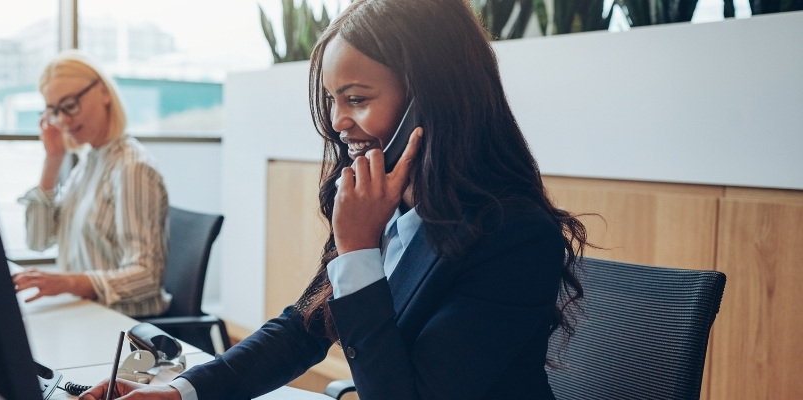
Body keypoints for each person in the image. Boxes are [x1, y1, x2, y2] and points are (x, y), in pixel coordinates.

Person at [80, 0, 589, 398]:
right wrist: (181, 391)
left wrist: (359, 252)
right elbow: (303, 327)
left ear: (430, 100)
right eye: (332, 98)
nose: (339, 121)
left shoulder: (513, 235)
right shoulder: (388, 204)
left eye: (358, 98)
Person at [13, 51, 171, 318]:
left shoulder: (131, 168)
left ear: (104, 93)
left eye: (70, 105)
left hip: (125, 327)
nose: (62, 120)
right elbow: (38, 240)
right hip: (88, 313)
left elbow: (146, 276)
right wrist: (52, 160)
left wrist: (70, 283)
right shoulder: (89, 162)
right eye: (54, 110)